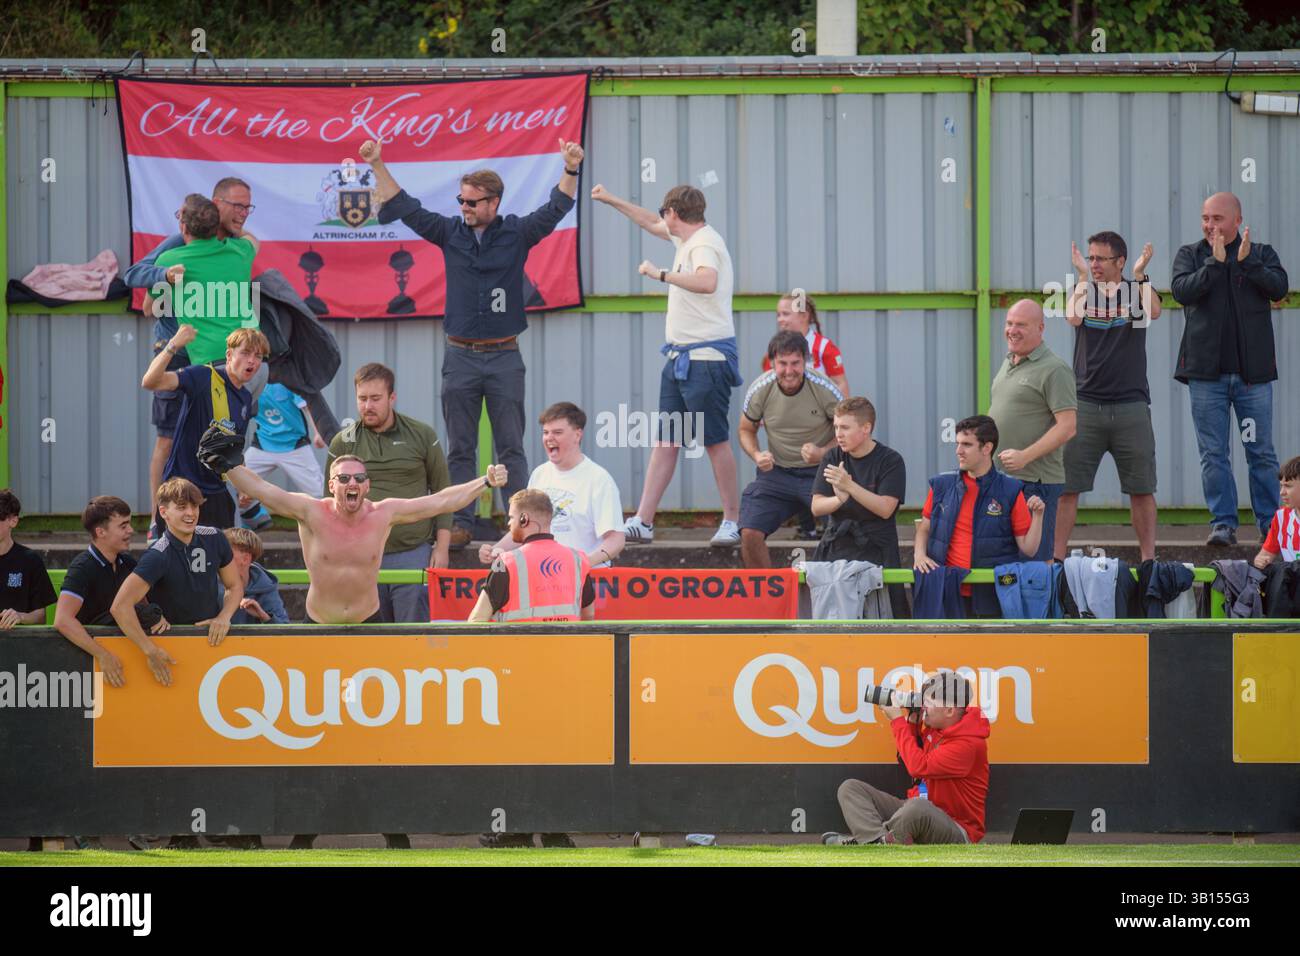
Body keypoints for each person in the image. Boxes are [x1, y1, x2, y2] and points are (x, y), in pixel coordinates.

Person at [362, 136, 583, 547]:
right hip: (460, 356)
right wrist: (377, 163)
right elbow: (407, 205)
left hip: (504, 356)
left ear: (493, 203)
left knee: (510, 446)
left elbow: (557, 207)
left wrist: (570, 168)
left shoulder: (516, 233)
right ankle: (459, 523)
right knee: (460, 448)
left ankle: (520, 525)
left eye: (471, 202)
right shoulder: (449, 233)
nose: (463, 208)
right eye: (461, 200)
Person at [208, 429, 507, 624]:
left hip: (369, 620)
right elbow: (261, 489)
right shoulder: (311, 511)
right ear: (331, 485)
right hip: (319, 622)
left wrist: (484, 482)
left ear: (367, 486)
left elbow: (441, 502)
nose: (352, 483)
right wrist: (226, 466)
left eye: (359, 479)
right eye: (344, 478)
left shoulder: (383, 513)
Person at [592, 182, 743, 547]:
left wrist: (659, 274)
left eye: (665, 213)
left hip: (706, 359)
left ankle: (732, 521)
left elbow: (707, 281)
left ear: (673, 214)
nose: (661, 219)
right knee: (666, 440)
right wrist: (611, 197)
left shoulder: (704, 244)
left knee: (714, 441)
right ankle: (643, 520)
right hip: (679, 358)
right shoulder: (685, 240)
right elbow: (648, 222)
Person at [124, 178, 257, 537]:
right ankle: (159, 518)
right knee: (169, 439)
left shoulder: (235, 247)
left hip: (214, 361)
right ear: (217, 206)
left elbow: (152, 304)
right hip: (177, 353)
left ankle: (233, 508)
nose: (243, 214)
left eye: (248, 208)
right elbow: (141, 286)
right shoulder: (177, 245)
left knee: (223, 432)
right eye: (237, 207)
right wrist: (164, 276)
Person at [469, 488, 594, 851]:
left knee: (516, 756)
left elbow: (476, 622)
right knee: (560, 755)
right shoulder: (578, 561)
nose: (509, 525)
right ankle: (556, 831)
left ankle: (514, 832)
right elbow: (589, 620)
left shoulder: (507, 563)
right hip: (566, 675)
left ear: (525, 520)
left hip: (517, 676)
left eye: (510, 518)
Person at [1171, 192, 1290, 546]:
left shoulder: (1261, 254)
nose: (1210, 225)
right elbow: (1181, 292)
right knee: (1213, 453)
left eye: (1218, 219)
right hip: (1207, 378)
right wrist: (1215, 264)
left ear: (1238, 220)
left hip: (1252, 380)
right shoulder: (1191, 255)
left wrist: (1248, 262)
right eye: (1206, 218)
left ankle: (1271, 526)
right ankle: (1223, 524)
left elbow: (1279, 287)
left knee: (1261, 452)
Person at [1057, 232, 1162, 561]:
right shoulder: (1084, 290)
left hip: (1131, 406)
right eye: (1090, 257)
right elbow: (1072, 317)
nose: (1094, 264)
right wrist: (1083, 277)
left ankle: (1148, 560)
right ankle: (1056, 560)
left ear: (1120, 262)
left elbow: (1155, 311)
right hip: (1085, 404)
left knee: (1141, 489)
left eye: (1100, 259)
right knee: (1067, 489)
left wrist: (1142, 273)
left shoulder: (1135, 291)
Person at [327, 363, 453, 622]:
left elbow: (442, 492)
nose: (367, 406)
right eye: (362, 399)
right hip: (360, 556)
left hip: (412, 552)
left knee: (412, 638)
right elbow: (329, 503)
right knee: (371, 639)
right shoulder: (342, 442)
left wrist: (442, 547)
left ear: (392, 398)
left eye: (375, 398)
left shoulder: (422, 435)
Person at [823, 671, 989, 846]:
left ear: (949, 710)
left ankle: (868, 840)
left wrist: (897, 720)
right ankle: (875, 840)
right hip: (920, 809)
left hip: (956, 829)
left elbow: (918, 767)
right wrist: (913, 724)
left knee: (917, 808)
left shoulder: (968, 744)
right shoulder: (938, 727)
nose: (924, 706)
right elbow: (907, 760)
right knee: (851, 788)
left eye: (930, 702)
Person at [109, 478, 244, 687]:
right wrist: (150, 650)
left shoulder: (214, 538)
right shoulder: (158, 555)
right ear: (164, 513)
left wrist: (223, 617)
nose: (191, 513)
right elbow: (120, 606)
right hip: (173, 648)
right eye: (182, 507)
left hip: (213, 642)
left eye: (195, 506)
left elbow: (234, 585)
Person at [913, 416, 1046, 617]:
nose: (958, 451)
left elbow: (1028, 548)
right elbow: (924, 527)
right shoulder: (941, 484)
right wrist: (919, 555)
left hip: (992, 593)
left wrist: (1038, 516)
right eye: (957, 444)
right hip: (946, 591)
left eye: (966, 445)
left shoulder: (1010, 489)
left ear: (986, 448)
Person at [142, 325, 270, 529]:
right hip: (181, 490)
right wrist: (173, 345)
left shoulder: (245, 398)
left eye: (258, 356)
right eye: (245, 353)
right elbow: (150, 382)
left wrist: (242, 488)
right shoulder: (203, 376)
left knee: (224, 558)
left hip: (216, 494)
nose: (252, 361)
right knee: (178, 560)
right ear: (229, 355)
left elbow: (233, 451)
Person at [737, 331, 842, 568]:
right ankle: (766, 597)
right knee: (749, 532)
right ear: (772, 362)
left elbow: (851, 434)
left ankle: (833, 593)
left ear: (805, 361)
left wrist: (823, 452)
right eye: (782, 364)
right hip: (777, 474)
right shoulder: (760, 389)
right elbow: (745, 430)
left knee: (843, 530)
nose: (789, 371)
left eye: (795, 363)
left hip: (821, 472)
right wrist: (757, 455)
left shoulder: (825, 388)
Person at [479, 403, 625, 569]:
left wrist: (583, 564)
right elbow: (524, 527)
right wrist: (496, 549)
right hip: (545, 582)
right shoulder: (539, 474)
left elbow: (616, 539)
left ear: (577, 435)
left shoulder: (599, 480)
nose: (549, 438)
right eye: (545, 432)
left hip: (589, 583)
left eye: (557, 432)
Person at [987, 299, 1077, 560]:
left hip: (1036, 484)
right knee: (1008, 564)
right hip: (1005, 479)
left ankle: (1044, 603)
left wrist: (1025, 456)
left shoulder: (1054, 369)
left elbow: (1068, 427)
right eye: (1009, 323)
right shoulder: (1010, 362)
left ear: (1040, 328)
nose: (1012, 330)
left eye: (1021, 325)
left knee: (1036, 566)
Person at [53, 496, 171, 687]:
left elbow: (142, 608)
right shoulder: (82, 568)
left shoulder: (128, 563)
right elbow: (62, 620)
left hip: (128, 666)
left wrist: (158, 617)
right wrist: (102, 655)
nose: (131, 530)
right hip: (85, 669)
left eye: (129, 524)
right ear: (101, 532)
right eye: (123, 526)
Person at [810, 396, 908, 614]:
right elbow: (816, 507)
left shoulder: (890, 460)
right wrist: (839, 500)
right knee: (833, 618)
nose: (838, 434)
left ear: (866, 428)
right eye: (835, 427)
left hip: (877, 549)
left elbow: (885, 509)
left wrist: (850, 487)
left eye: (845, 427)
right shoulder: (833, 456)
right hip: (837, 547)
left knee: (882, 620)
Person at [238, 382, 327, 530]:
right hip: (263, 445)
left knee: (320, 494)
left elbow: (307, 406)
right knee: (233, 482)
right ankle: (251, 516)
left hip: (294, 446)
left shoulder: (288, 380)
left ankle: (332, 528)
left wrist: (318, 432)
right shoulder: (250, 382)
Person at [762, 292, 848, 394]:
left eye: (785, 314)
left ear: (804, 316)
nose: (780, 319)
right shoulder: (775, 348)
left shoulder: (824, 347)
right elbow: (767, 386)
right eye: (778, 315)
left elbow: (840, 384)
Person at [0, 489, 57, 629]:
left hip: (18, 645)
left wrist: (20, 616)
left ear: (13, 521)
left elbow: (40, 616)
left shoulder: (30, 560)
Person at [221, 528, 289, 625]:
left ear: (245, 559)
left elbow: (285, 630)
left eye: (226, 552)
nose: (219, 555)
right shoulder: (211, 581)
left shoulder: (264, 586)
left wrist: (264, 616)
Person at [1253, 455, 1300, 570]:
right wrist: (1259, 561)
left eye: (1288, 486)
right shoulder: (1281, 517)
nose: (1282, 492)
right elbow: (1263, 556)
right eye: (1281, 486)